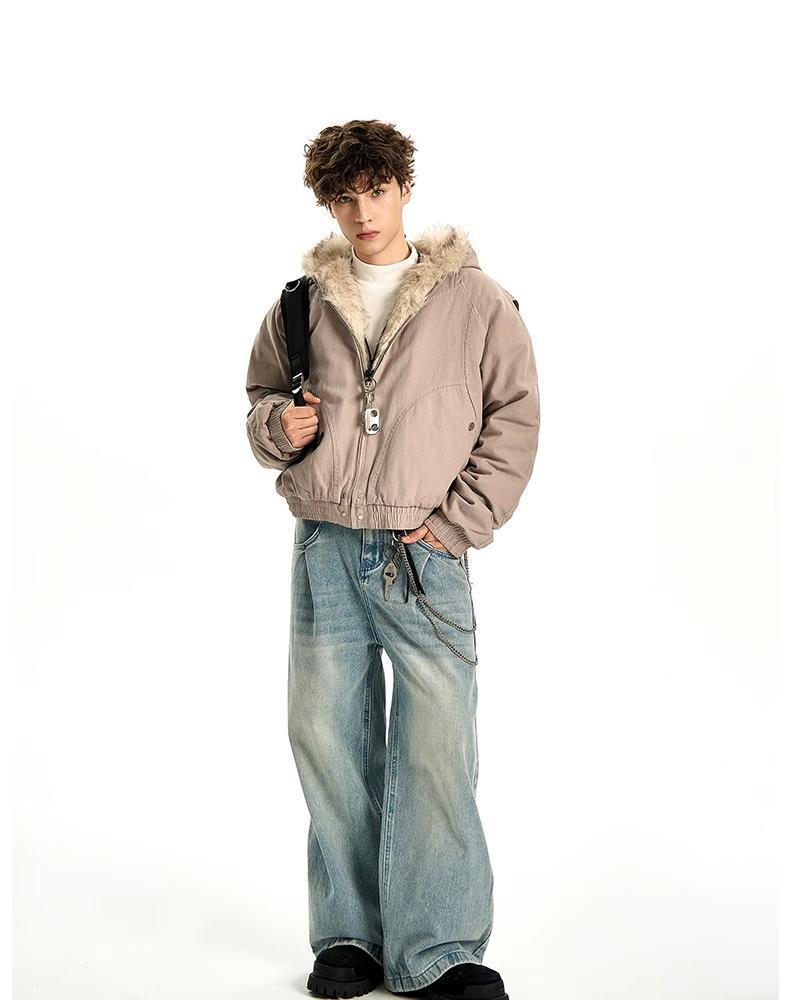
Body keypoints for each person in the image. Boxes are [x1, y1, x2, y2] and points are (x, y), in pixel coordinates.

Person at [245, 119, 540, 1000]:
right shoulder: (301, 303)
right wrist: (278, 426)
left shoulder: (474, 300)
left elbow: (514, 415)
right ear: (328, 204)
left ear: (404, 188)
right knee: (328, 740)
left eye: (375, 191)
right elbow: (261, 399)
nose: (361, 211)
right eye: (343, 197)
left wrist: (458, 524)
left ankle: (440, 946)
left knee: (436, 747)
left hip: (425, 551)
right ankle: (350, 937)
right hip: (325, 545)